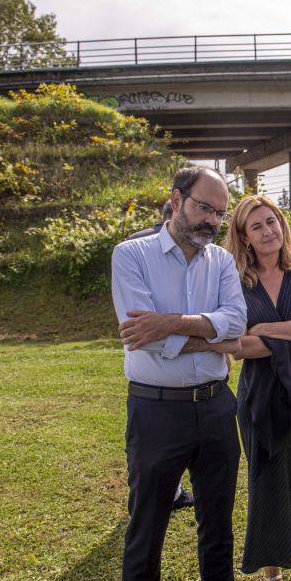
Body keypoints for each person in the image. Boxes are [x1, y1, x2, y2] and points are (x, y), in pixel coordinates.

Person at [111, 166, 246, 581]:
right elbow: (142, 338)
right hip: (156, 410)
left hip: (216, 408)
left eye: (220, 213)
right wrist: (213, 336)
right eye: (204, 208)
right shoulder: (131, 255)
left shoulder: (222, 261)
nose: (212, 220)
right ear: (176, 200)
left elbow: (238, 323)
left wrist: (168, 323)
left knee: (218, 527)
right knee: (146, 529)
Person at [224, 195, 291, 581]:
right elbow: (237, 347)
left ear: (282, 226)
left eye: (272, 222)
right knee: (267, 485)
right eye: (257, 226)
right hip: (260, 397)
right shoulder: (235, 282)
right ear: (245, 237)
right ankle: (273, 576)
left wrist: (265, 329)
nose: (268, 231)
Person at [125, 199, 195, 512]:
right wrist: (209, 337)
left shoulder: (133, 241)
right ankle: (166, 492)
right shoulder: (138, 249)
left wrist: (166, 327)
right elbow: (143, 327)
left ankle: (152, 491)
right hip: (160, 359)